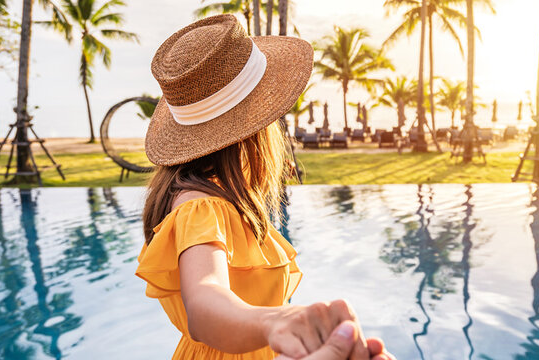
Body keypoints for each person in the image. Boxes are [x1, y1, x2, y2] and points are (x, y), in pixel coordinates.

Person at [136, 15, 393, 360]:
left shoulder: (218, 199)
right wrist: (278, 321)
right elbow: (205, 301)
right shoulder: (200, 207)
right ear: (257, 131)